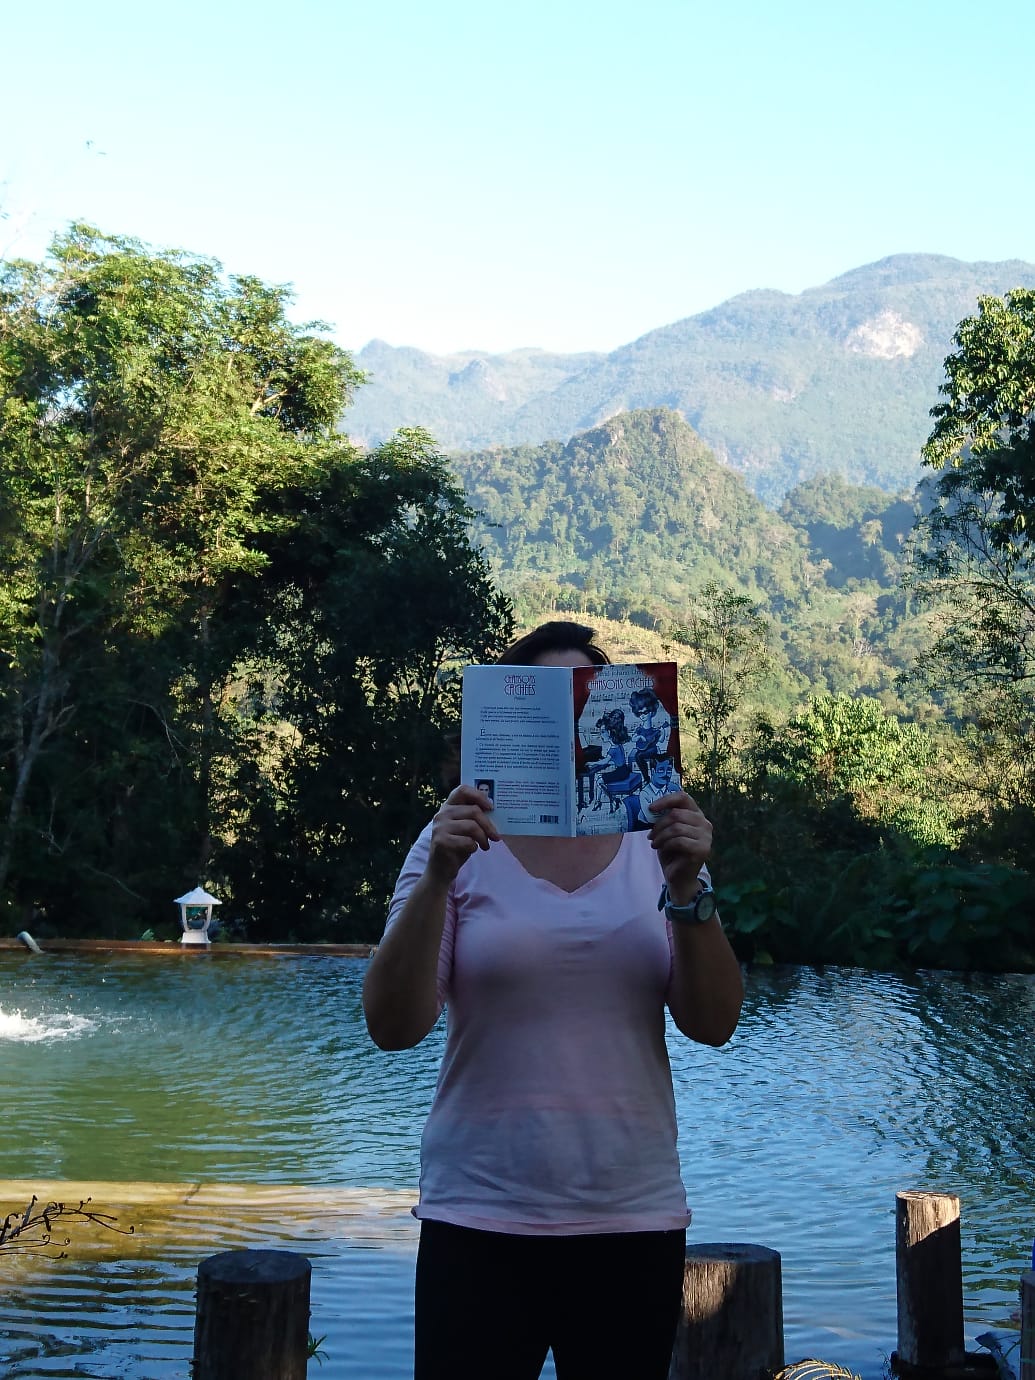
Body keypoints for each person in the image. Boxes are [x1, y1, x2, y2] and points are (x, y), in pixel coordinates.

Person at [362, 620, 744, 1380]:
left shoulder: (656, 843)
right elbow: (391, 1026)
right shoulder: (454, 844)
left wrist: (687, 890)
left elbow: (713, 1025)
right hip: (477, 1212)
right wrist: (438, 874)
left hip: (630, 1213)